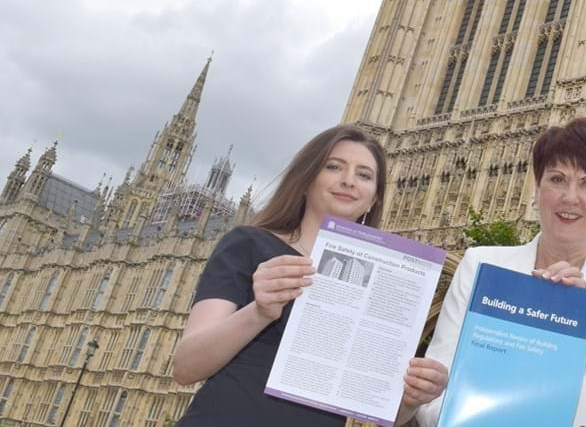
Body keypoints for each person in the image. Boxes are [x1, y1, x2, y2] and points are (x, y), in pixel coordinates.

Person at [174, 125, 448, 427]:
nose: (348, 180)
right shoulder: (249, 244)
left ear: (374, 198)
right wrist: (260, 312)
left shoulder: (385, 281)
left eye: (364, 175)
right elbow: (186, 367)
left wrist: (413, 397)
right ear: (306, 179)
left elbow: (384, 412)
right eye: (334, 167)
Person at [417, 118, 586, 426]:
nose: (570, 197)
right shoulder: (480, 265)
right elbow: (432, 395)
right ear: (537, 189)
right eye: (557, 179)